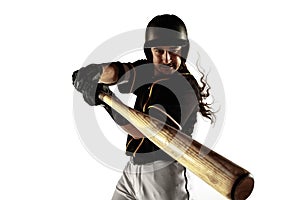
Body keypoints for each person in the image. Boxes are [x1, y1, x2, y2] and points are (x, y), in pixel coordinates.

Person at [72, 14, 214, 200]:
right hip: (133, 168)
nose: (166, 58)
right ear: (150, 52)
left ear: (183, 50)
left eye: (173, 50)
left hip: (163, 173)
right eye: (159, 51)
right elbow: (119, 72)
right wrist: (96, 72)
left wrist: (105, 99)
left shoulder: (183, 87)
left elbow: (146, 131)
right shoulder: (150, 70)